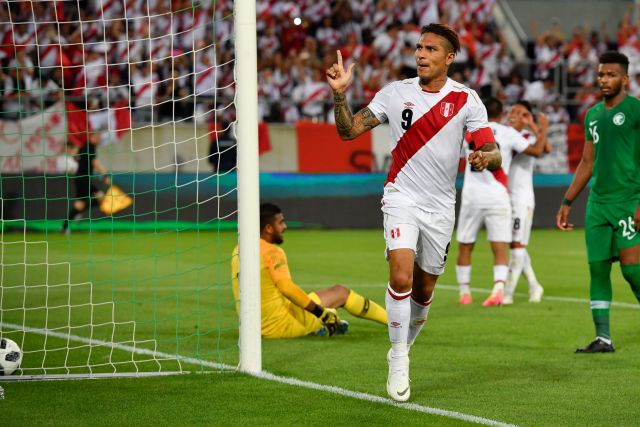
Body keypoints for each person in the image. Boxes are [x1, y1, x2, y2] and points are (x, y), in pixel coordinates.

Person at [326, 23, 501, 402]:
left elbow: (492, 149)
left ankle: (401, 344)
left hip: (440, 208)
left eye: (431, 49)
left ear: (449, 58)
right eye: (419, 48)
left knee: (423, 291)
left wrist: (485, 156)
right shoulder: (395, 93)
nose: (421, 55)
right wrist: (340, 97)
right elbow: (348, 132)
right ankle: (400, 358)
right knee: (401, 275)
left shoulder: (467, 100)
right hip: (400, 196)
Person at [556, 51, 640, 353]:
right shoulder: (592, 115)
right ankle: (603, 337)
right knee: (598, 269)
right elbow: (586, 162)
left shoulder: (635, 110)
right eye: (601, 75)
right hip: (598, 205)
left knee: (632, 271)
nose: (604, 80)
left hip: (629, 201)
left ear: (625, 79)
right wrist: (567, 201)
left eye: (611, 75)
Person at [230, 203, 387, 339]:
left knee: (321, 304)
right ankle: (394, 323)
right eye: (281, 223)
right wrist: (321, 313)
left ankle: (324, 325)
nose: (285, 227)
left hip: (251, 328)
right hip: (279, 326)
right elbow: (287, 288)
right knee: (340, 294)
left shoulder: (239, 249)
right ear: (269, 228)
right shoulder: (272, 252)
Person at [456, 97, 547, 306]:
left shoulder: (469, 134)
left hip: (471, 195)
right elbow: (536, 151)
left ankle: (464, 292)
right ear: (501, 113)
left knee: (465, 245)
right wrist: (541, 128)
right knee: (500, 247)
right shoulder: (507, 133)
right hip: (498, 196)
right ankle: (499, 289)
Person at [502, 100, 551, 305]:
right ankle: (534, 285)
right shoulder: (506, 134)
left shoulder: (527, 138)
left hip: (522, 199)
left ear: (528, 117)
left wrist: (535, 127)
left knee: (517, 246)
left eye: (521, 113)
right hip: (507, 196)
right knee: (516, 245)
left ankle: (507, 293)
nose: (513, 114)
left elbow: (545, 149)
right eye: (512, 111)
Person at [61, 101, 111, 234]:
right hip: (82, 178)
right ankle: (65, 226)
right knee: (84, 202)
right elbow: (95, 162)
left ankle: (77, 214)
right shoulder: (89, 147)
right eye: (98, 136)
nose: (99, 138)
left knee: (98, 197)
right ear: (92, 137)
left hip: (83, 177)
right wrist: (105, 175)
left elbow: (80, 157)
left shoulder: (87, 147)